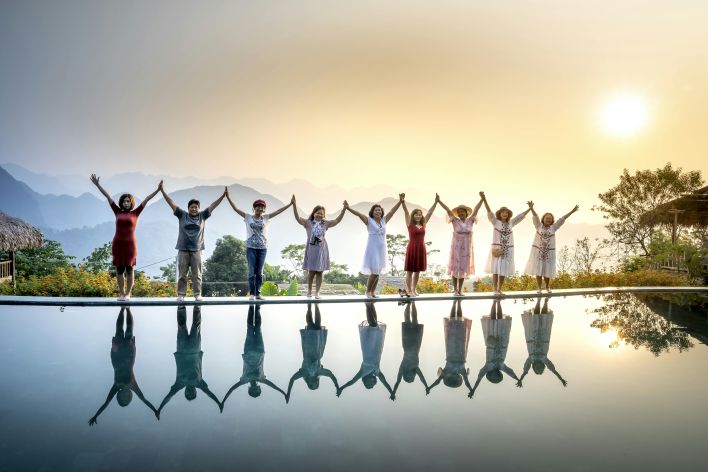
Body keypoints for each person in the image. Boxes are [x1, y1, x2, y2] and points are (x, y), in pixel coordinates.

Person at [90, 174, 161, 301]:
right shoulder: (117, 211)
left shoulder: (136, 213)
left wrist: (158, 190)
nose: (126, 203)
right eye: (124, 201)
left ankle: (128, 293)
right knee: (119, 270)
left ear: (131, 202)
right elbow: (107, 196)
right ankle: (121, 293)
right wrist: (97, 185)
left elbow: (146, 199)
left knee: (129, 269)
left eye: (128, 201)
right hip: (118, 244)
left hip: (130, 246)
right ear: (121, 202)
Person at [89, 307, 158, 425]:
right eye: (128, 399)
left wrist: (96, 415)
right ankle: (128, 309)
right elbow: (144, 400)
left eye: (123, 399)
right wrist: (155, 410)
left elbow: (106, 403)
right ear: (130, 396)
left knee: (119, 330)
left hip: (116, 356)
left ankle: (122, 309)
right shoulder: (133, 386)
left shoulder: (116, 386)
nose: (126, 396)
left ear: (120, 397)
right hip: (129, 355)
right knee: (130, 331)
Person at [160, 184, 227, 301]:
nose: (194, 209)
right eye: (192, 207)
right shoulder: (182, 215)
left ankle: (197, 294)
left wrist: (223, 196)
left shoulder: (203, 216)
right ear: (188, 208)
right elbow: (171, 203)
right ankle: (181, 294)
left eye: (196, 207)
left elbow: (213, 206)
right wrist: (162, 191)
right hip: (183, 249)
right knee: (182, 275)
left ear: (199, 209)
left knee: (197, 275)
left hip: (197, 250)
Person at [226, 192, 292, 300]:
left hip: (262, 248)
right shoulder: (248, 217)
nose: (260, 209)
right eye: (258, 207)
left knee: (260, 272)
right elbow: (236, 209)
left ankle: (258, 293)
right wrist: (228, 197)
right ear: (254, 208)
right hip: (251, 247)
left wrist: (289, 204)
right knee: (252, 271)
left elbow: (278, 211)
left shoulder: (265, 218)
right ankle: (252, 293)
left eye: (262, 207)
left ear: (264, 209)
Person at [157, 306, 222, 416]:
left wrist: (160, 408)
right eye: (192, 393)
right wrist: (218, 403)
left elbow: (169, 396)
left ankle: (182, 306)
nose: (190, 392)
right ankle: (196, 306)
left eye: (188, 394)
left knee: (182, 326)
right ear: (195, 391)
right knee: (195, 326)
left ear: (185, 392)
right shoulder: (199, 384)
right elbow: (209, 394)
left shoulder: (180, 384)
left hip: (183, 350)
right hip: (194, 350)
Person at [222, 305, 286, 404]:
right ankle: (258, 308)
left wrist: (224, 401)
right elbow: (273, 386)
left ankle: (251, 307)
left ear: (250, 389)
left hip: (249, 350)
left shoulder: (244, 380)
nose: (255, 389)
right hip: (260, 351)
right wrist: (283, 392)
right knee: (258, 328)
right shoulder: (261, 379)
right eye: (257, 390)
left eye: (253, 391)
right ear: (259, 388)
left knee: (250, 328)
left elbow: (232, 389)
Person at [345, 194, 404, 298]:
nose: (378, 212)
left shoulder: (383, 220)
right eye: (376, 210)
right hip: (372, 248)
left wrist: (400, 201)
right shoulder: (369, 221)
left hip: (382, 249)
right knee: (374, 272)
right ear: (372, 212)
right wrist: (348, 208)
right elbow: (358, 214)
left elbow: (392, 211)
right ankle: (368, 291)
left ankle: (372, 292)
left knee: (378, 272)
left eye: (380, 210)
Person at [292, 197, 347, 298]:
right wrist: (294, 205)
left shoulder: (325, 224)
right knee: (311, 272)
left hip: (322, 250)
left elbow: (337, 220)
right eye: (317, 212)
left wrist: (344, 209)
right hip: (311, 250)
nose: (319, 214)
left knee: (320, 272)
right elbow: (297, 218)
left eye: (321, 213)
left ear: (323, 215)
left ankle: (317, 292)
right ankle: (309, 291)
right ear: (313, 213)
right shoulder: (308, 223)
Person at [338, 303, 395, 399]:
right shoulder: (377, 373)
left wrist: (342, 388)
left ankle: (367, 305)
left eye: (369, 385)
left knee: (373, 325)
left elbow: (352, 381)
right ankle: (371, 305)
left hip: (368, 347)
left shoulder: (363, 372)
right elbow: (384, 382)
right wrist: (391, 392)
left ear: (365, 381)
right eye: (373, 385)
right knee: (375, 325)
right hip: (377, 346)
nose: (372, 383)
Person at [480, 192, 533, 295]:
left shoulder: (511, 223)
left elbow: (520, 217)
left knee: (503, 270)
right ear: (499, 214)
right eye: (503, 212)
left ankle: (499, 289)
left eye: (506, 213)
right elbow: (489, 211)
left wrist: (530, 209)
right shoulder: (495, 222)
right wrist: (484, 199)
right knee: (495, 269)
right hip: (497, 249)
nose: (505, 214)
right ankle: (495, 289)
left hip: (507, 249)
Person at [285, 303, 339, 403]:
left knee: (310, 324)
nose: (313, 382)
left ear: (308, 383)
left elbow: (292, 379)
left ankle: (310, 306)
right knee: (318, 325)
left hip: (309, 348)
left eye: (311, 384)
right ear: (317, 382)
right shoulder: (320, 372)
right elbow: (332, 376)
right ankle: (316, 306)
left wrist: (288, 393)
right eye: (316, 384)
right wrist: (337, 387)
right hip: (318, 348)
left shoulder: (303, 373)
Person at [469, 300, 520, 397]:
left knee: (492, 320)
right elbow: (511, 373)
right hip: (502, 342)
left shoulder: (487, 368)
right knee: (500, 320)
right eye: (497, 378)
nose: (495, 376)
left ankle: (494, 302)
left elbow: (479, 379)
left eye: (494, 378)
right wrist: (517, 379)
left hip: (491, 342)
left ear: (490, 376)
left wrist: (473, 390)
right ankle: (498, 302)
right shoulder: (501, 367)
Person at [437, 193, 484, 296]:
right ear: (457, 213)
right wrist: (439, 201)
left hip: (466, 249)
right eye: (459, 212)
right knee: (455, 269)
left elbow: (476, 209)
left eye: (463, 211)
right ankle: (455, 290)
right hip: (456, 248)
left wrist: (482, 199)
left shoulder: (470, 221)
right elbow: (448, 210)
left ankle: (460, 289)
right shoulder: (455, 220)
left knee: (463, 269)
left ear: (466, 213)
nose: (461, 213)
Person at [525, 205, 579, 293]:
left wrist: (572, 211)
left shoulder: (553, 227)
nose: (548, 220)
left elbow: (562, 219)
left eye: (550, 218)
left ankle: (547, 287)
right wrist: (531, 208)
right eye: (547, 218)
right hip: (538, 252)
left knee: (547, 271)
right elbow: (535, 217)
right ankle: (539, 288)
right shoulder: (539, 226)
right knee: (538, 271)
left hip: (548, 253)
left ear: (552, 220)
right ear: (543, 219)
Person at [426, 300, 474, 397]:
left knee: (456, 322)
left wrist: (430, 387)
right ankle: (457, 302)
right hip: (454, 346)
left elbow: (438, 382)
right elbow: (466, 383)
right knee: (454, 322)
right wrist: (471, 390)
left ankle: (457, 302)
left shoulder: (458, 372)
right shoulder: (455, 373)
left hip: (456, 346)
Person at [517, 298, 568, 387]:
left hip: (532, 336)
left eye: (537, 369)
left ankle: (539, 300)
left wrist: (521, 379)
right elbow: (554, 371)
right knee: (544, 318)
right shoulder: (544, 360)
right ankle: (545, 302)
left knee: (535, 318)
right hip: (544, 337)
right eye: (541, 369)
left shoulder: (531, 360)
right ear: (543, 366)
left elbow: (525, 372)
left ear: (534, 368)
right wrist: (561, 379)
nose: (539, 368)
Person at [400, 197, 438, 297]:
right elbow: (406, 212)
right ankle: (408, 290)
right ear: (413, 216)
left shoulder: (423, 224)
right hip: (412, 248)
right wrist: (403, 202)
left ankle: (414, 289)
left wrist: (436, 202)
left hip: (421, 248)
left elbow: (429, 213)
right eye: (416, 214)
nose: (418, 216)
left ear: (421, 216)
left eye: (420, 215)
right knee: (410, 271)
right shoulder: (410, 224)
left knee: (417, 271)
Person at [392, 302, 429, 397]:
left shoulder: (403, 367)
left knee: (407, 320)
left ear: (406, 376)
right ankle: (412, 302)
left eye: (409, 378)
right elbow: (422, 378)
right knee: (415, 320)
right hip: (416, 344)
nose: (412, 377)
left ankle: (409, 304)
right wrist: (426, 386)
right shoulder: (415, 368)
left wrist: (393, 392)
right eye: (412, 378)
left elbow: (398, 381)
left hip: (407, 344)